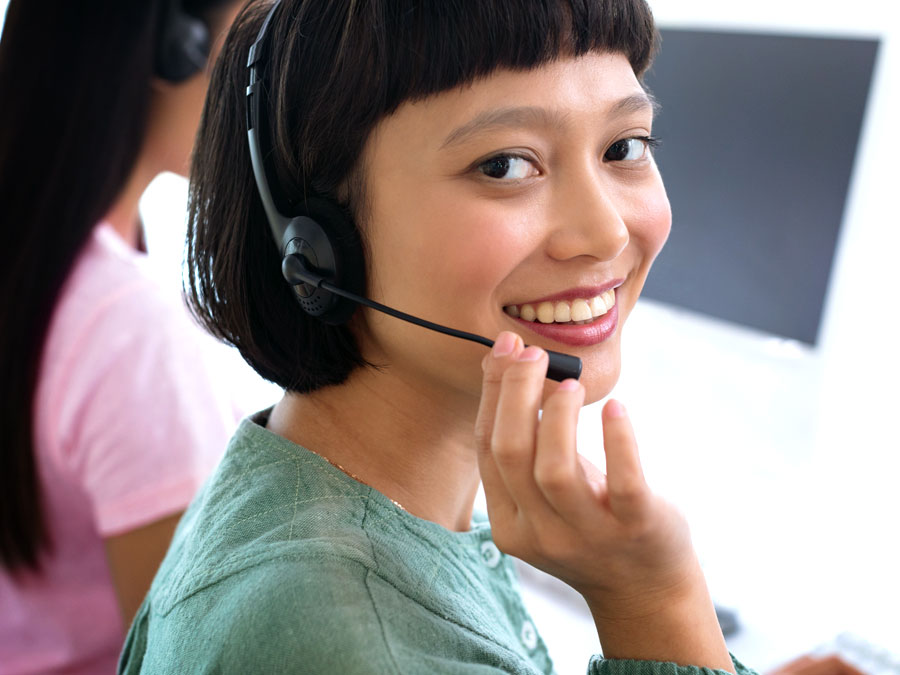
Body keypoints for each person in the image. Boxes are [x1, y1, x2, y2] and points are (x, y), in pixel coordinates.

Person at [119, 0, 755, 672]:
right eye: (506, 165)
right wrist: (653, 599)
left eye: (623, 147)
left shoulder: (311, 489)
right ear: (315, 242)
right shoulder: (346, 639)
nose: (606, 233)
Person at [0, 1, 245, 672]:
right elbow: (187, 654)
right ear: (177, 48)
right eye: (254, 43)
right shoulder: (125, 329)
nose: (270, 86)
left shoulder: (49, 275)